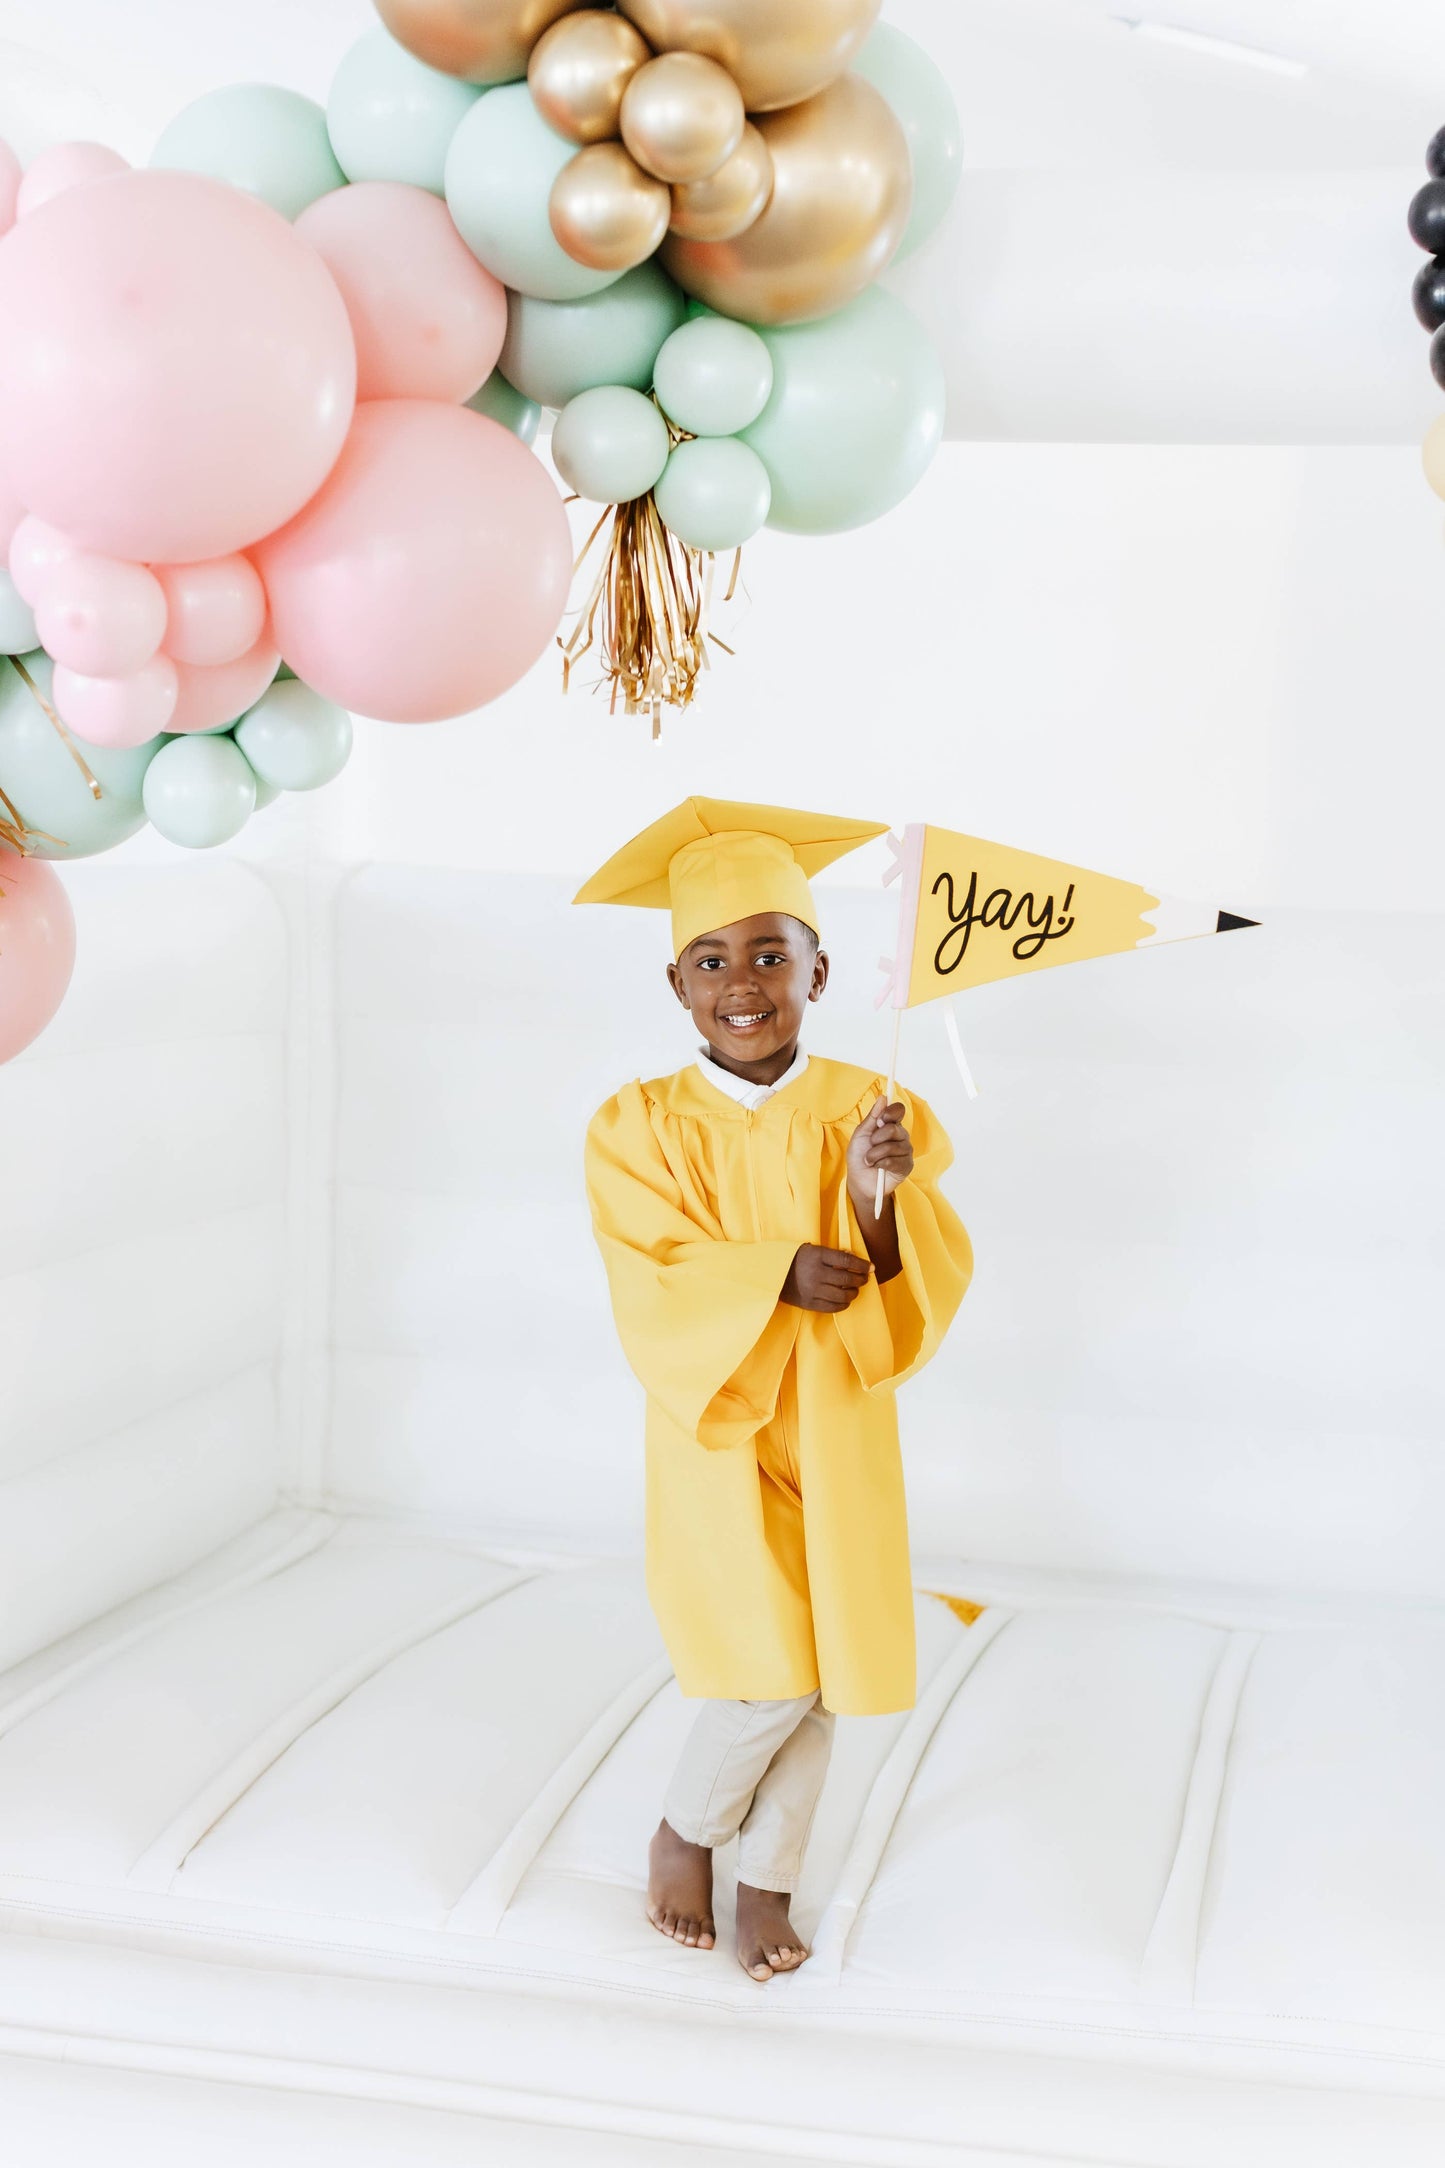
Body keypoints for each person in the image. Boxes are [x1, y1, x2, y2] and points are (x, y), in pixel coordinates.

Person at [576, 798, 973, 1984]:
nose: (741, 982)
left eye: (769, 953)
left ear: (818, 968)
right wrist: (770, 1276)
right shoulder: (634, 1125)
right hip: (720, 1422)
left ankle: (766, 1881)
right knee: (773, 1664)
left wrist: (868, 1200)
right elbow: (648, 1274)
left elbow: (922, 1264)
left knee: (825, 1672)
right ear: (676, 982)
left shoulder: (870, 1106)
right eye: (712, 959)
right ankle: (684, 1832)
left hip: (837, 1418)